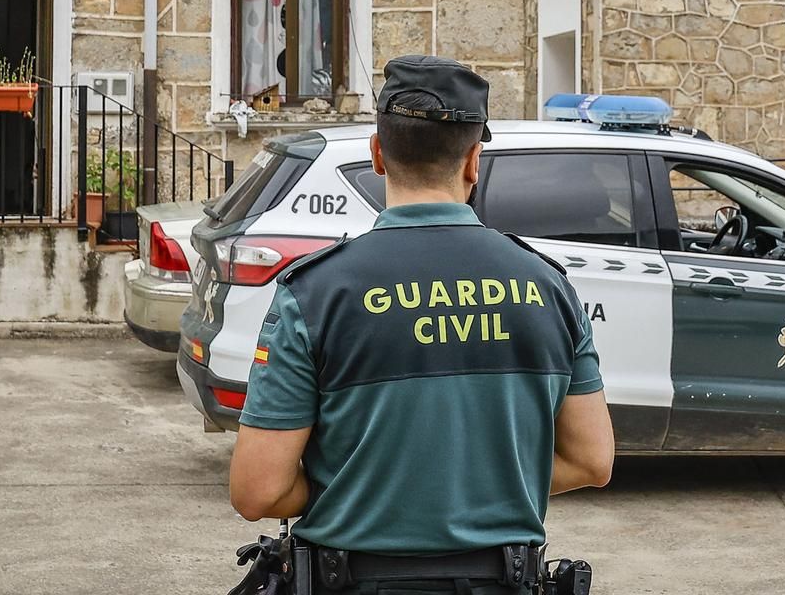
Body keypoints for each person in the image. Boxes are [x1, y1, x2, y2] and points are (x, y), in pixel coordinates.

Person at [229, 54, 615, 594]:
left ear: (377, 155)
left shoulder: (315, 293)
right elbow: (592, 460)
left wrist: (370, 490)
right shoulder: (549, 287)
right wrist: (478, 492)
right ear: (474, 161)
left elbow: (258, 492)